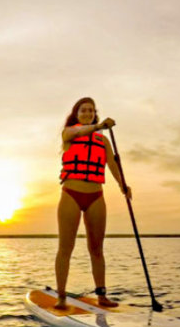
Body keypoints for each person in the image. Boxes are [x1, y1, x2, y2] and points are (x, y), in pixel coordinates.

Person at [54, 97, 132, 310]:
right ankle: (61, 296)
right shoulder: (69, 133)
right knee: (65, 248)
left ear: (94, 113)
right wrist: (98, 126)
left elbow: (112, 165)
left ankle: (102, 295)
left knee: (97, 249)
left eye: (91, 110)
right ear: (76, 114)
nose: (87, 113)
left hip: (96, 196)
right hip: (71, 193)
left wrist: (123, 185)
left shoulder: (103, 141)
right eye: (83, 110)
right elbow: (77, 133)